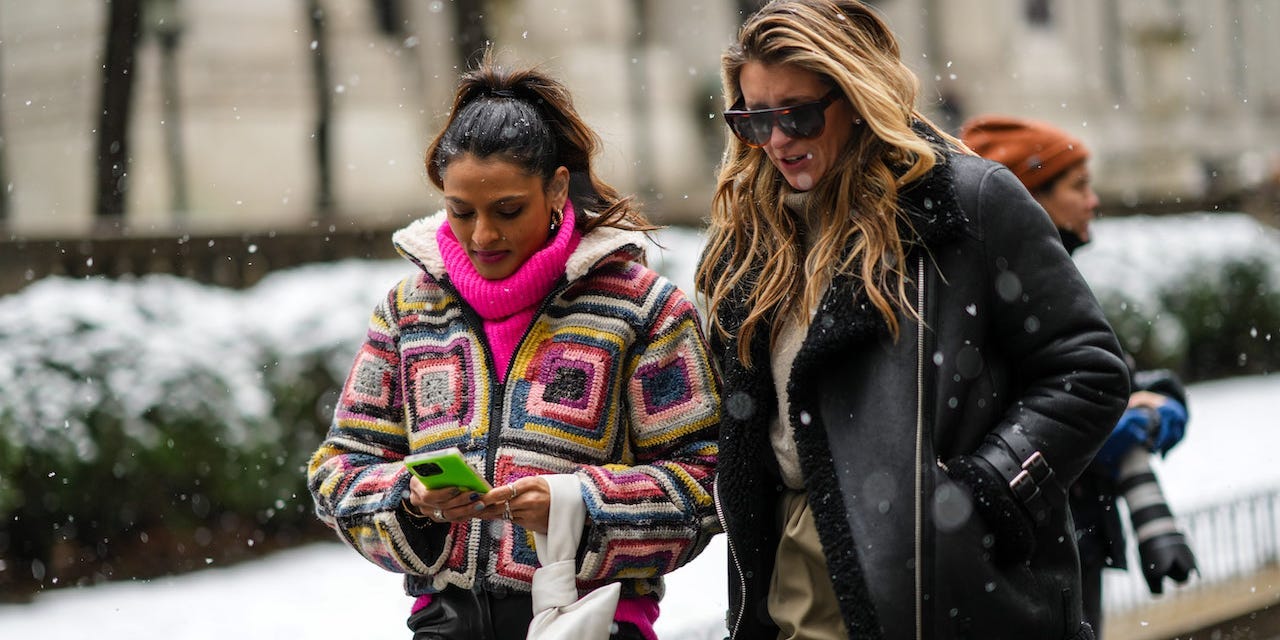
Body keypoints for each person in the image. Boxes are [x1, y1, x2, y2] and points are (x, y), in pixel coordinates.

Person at [695, 1, 1131, 638]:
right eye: (753, 118)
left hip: (944, 579)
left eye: (798, 114)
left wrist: (985, 495)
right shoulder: (748, 238)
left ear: (858, 95)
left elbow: (1088, 371)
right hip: (792, 574)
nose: (777, 140)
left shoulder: (968, 202)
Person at [307, 58, 722, 640]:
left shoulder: (645, 309)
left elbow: (708, 483)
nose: (482, 235)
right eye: (461, 211)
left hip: (592, 623)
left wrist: (576, 504)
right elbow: (336, 473)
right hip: (445, 623)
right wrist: (412, 499)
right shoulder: (408, 312)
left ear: (555, 187)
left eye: (507, 210)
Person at [962, 114, 1197, 637]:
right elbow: (1027, 404)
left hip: (1073, 533)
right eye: (1078, 186)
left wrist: (1156, 397)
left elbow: (1107, 371)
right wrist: (1105, 425)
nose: (1094, 201)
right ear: (1028, 197)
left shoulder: (1050, 275)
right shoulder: (994, 292)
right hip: (1031, 543)